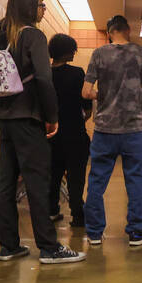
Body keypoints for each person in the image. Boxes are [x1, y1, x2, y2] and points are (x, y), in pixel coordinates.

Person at [0, 0, 85, 264]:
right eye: (41, 5)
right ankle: (48, 246)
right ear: (30, 7)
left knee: (6, 182)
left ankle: (9, 245)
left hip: (3, 115)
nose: (44, 9)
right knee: (37, 180)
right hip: (28, 115)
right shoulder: (32, 36)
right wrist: (52, 116)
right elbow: (44, 79)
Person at [83, 15, 142, 246]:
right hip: (133, 129)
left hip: (104, 128)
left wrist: (101, 95)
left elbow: (86, 92)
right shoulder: (139, 53)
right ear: (128, 30)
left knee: (97, 180)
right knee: (134, 179)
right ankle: (136, 231)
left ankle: (94, 232)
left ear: (109, 32)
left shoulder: (99, 54)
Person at [46, 33, 92, 228]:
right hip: (75, 133)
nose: (74, 53)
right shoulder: (77, 73)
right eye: (73, 50)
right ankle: (77, 214)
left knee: (53, 174)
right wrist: (83, 116)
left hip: (51, 133)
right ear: (66, 52)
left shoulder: (44, 75)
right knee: (76, 175)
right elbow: (87, 105)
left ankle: (52, 211)